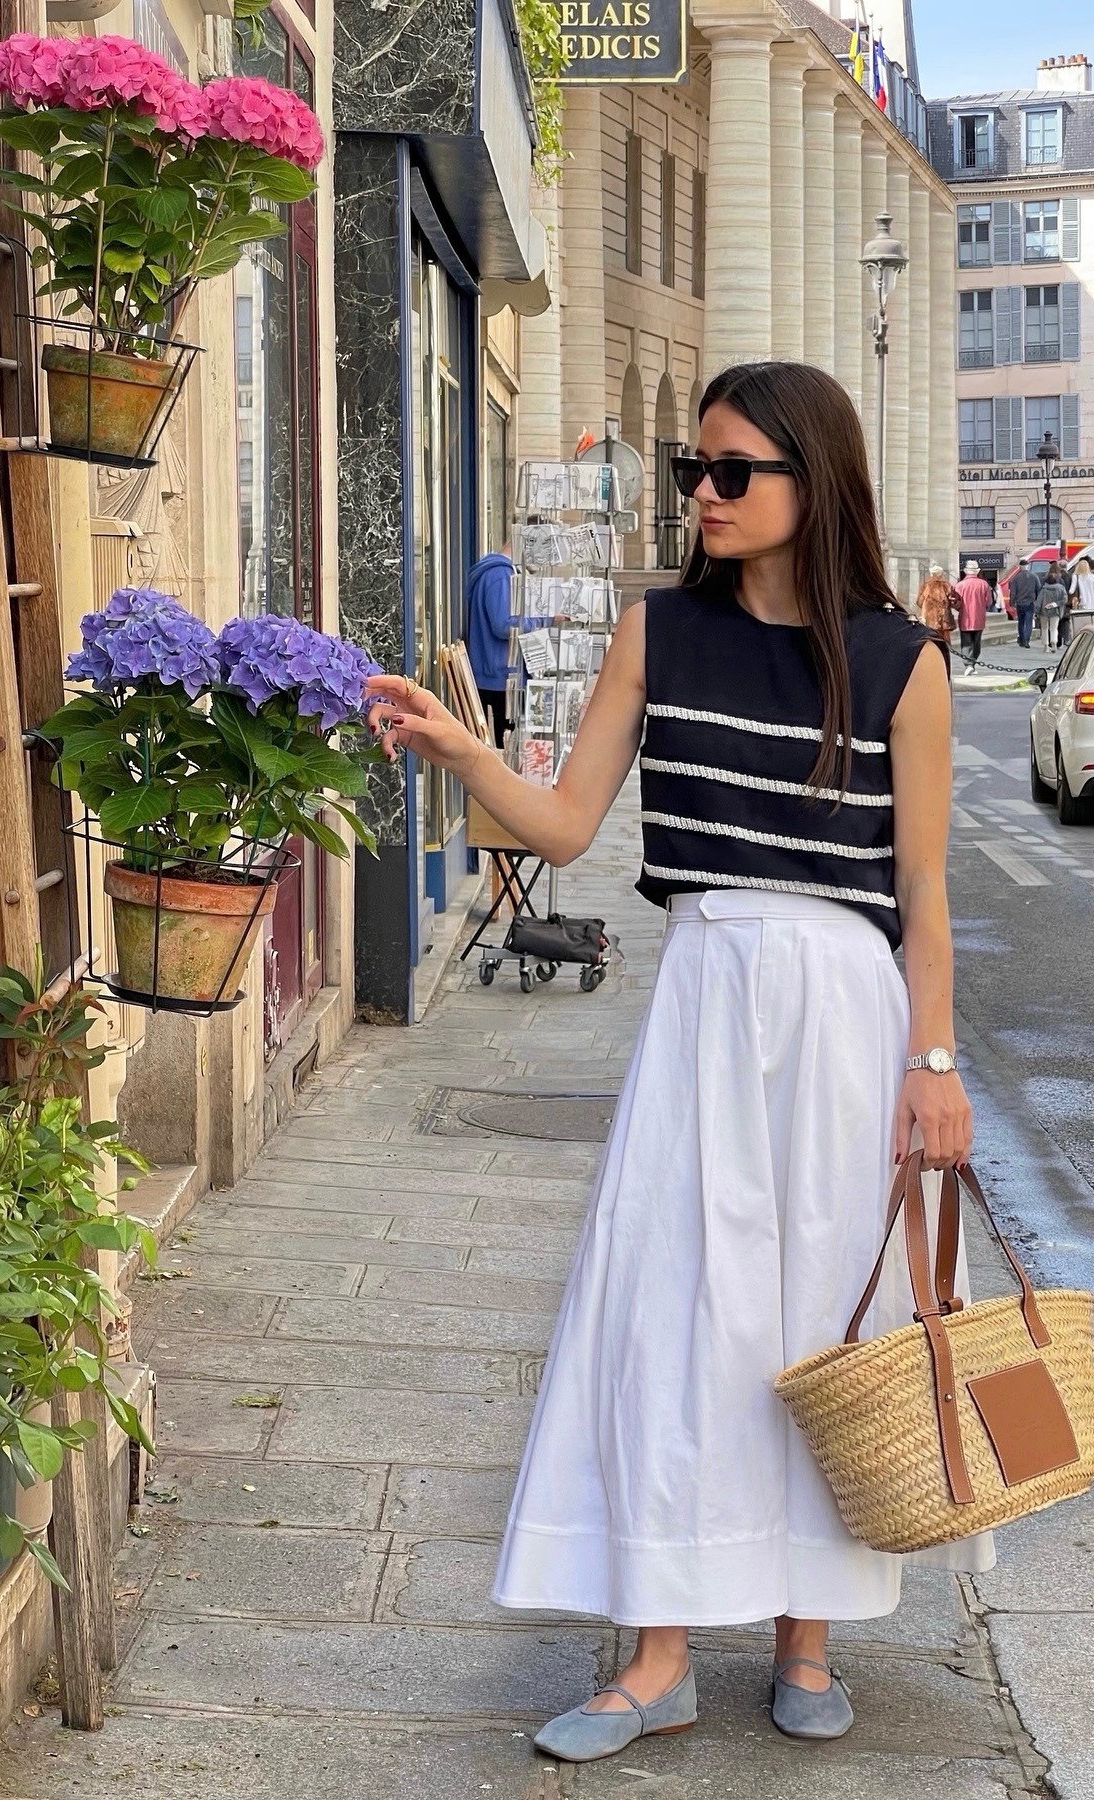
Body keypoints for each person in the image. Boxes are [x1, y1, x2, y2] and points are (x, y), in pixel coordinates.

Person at [365, 362, 984, 1764]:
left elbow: (927, 895)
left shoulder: (903, 662)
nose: (700, 495)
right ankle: (655, 1659)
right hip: (706, 993)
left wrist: (933, 1062)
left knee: (825, 1311)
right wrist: (464, 750)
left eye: (729, 473)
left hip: (844, 1005)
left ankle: (806, 1633)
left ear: (809, 485)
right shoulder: (658, 634)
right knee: (669, 1305)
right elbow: (569, 826)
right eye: (690, 472)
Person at [464, 541, 516, 744]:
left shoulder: (491, 571)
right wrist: (545, 619)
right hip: (498, 674)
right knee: (506, 744)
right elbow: (503, 625)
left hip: (490, 672)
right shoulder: (499, 575)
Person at [954, 559, 993, 668]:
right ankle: (973, 661)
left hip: (965, 618)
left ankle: (968, 664)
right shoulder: (984, 584)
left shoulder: (960, 585)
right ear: (977, 571)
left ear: (966, 571)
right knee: (977, 642)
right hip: (979, 618)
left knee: (966, 642)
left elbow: (956, 602)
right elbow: (988, 601)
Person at [916, 565, 959, 643]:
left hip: (929, 617)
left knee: (931, 639)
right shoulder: (947, 585)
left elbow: (919, 602)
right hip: (944, 618)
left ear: (931, 574)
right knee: (945, 638)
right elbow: (952, 601)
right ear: (941, 574)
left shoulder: (926, 585)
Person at [1007, 556, 1040, 649]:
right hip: (1030, 602)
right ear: (1028, 566)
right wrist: (1036, 599)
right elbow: (1038, 589)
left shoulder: (1016, 578)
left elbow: (1013, 592)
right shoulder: (1034, 576)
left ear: (1020, 566)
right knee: (1028, 622)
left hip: (1020, 603)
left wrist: (1012, 602)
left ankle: (1022, 639)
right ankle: (1026, 640)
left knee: (1021, 622)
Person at [1037, 562, 1068, 652]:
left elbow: (1039, 601)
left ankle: (1046, 646)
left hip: (1044, 610)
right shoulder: (1061, 588)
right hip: (1056, 610)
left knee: (1044, 628)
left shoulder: (1044, 589)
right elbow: (1064, 599)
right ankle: (1054, 642)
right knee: (1054, 628)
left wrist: (1036, 611)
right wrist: (1055, 604)